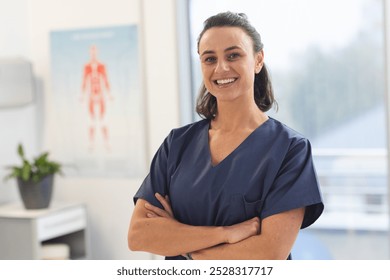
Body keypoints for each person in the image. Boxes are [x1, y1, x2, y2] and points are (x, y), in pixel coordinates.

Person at [128, 11, 324, 260]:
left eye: (233, 55)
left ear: (258, 60)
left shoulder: (290, 150)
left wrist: (182, 243)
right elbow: (138, 235)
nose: (221, 68)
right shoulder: (177, 144)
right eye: (209, 59)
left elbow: (269, 253)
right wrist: (227, 233)